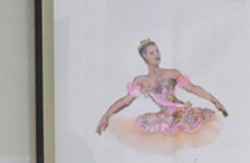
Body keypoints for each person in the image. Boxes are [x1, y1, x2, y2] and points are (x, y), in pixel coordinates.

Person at [95, 39, 228, 152]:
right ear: (144, 56)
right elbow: (125, 101)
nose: (156, 55)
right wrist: (106, 115)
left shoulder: (172, 73)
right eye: (151, 53)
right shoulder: (141, 81)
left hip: (182, 115)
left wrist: (214, 100)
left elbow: (193, 88)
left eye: (157, 51)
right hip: (165, 120)